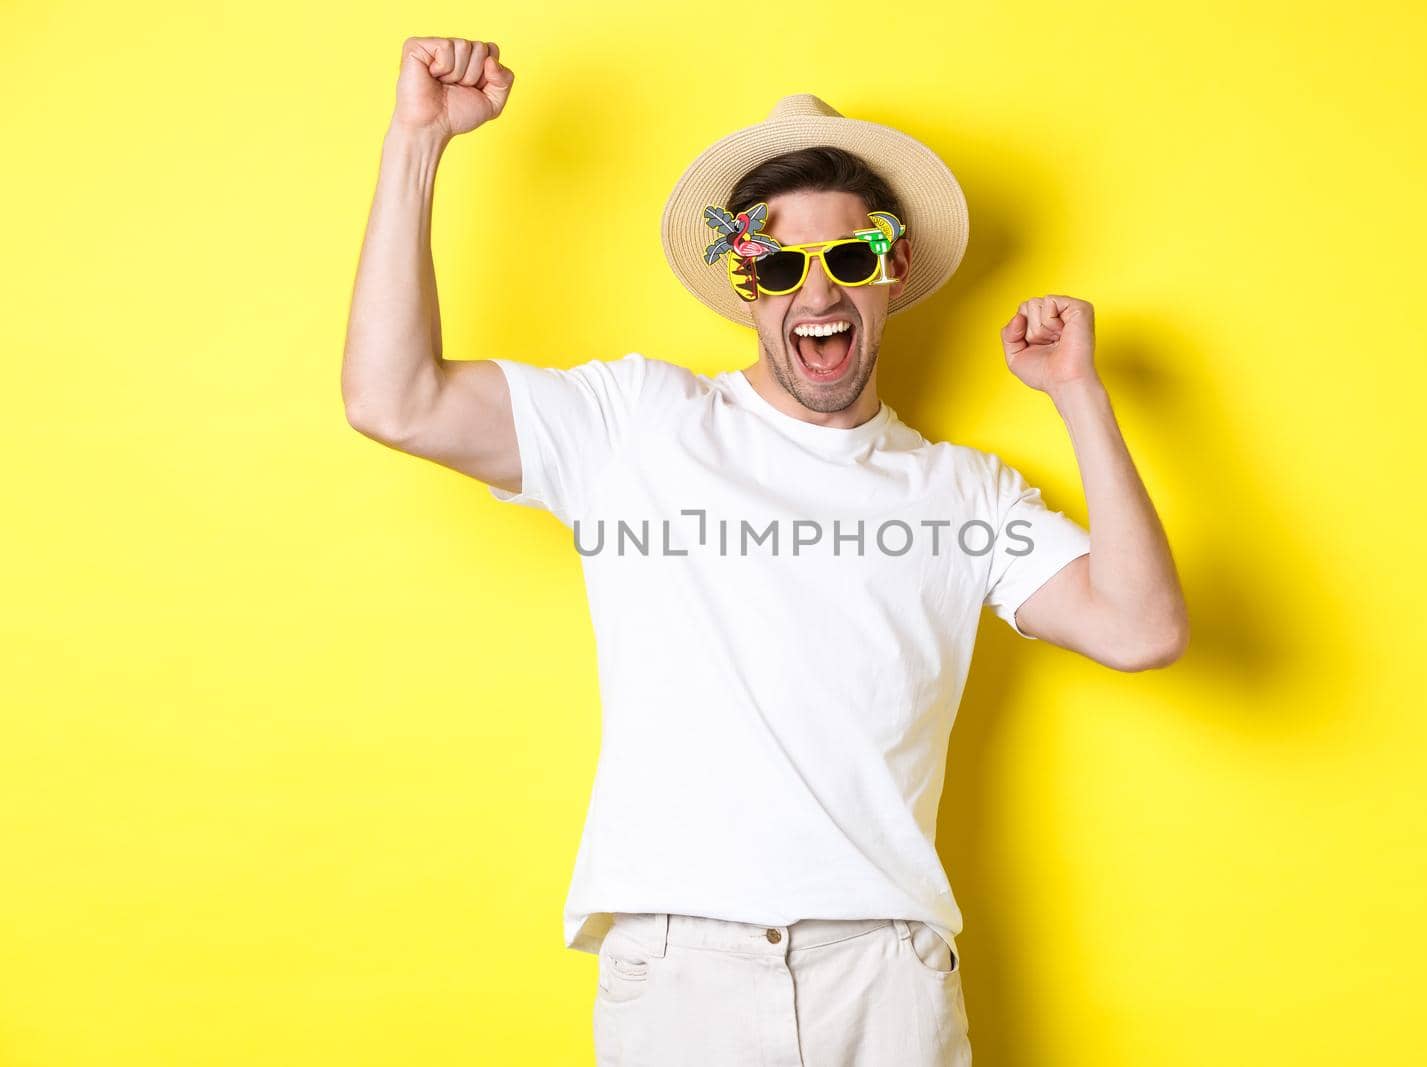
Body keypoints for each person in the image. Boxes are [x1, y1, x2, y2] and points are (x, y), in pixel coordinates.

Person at [342, 35, 1189, 1067]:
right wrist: (418, 141)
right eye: (779, 263)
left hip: (887, 981)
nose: (817, 293)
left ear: (895, 266)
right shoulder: (638, 424)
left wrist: (1080, 397)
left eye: (849, 257)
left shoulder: (962, 491)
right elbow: (393, 399)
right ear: (742, 278)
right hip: (679, 975)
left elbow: (1142, 627)